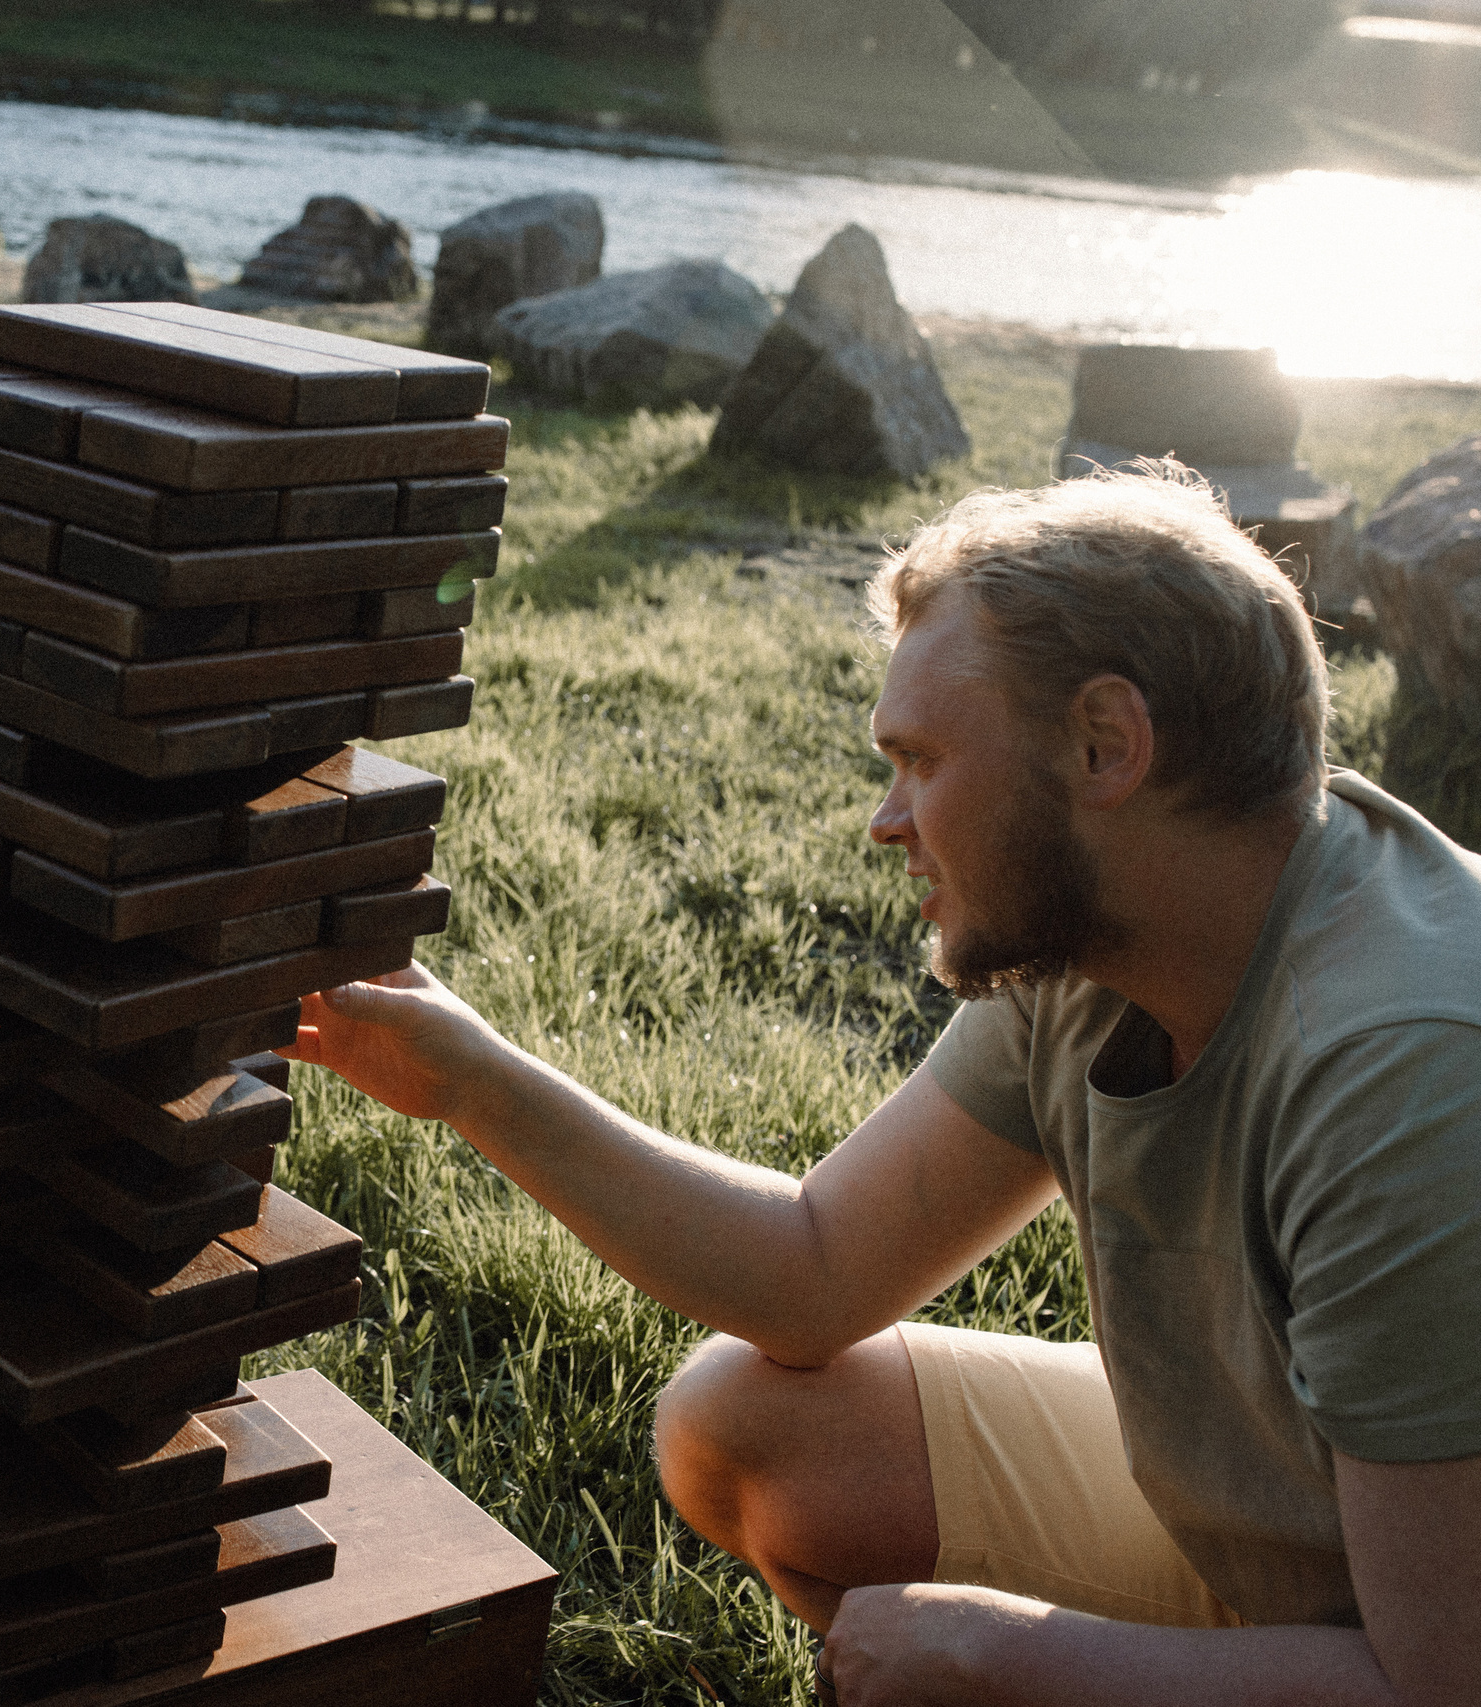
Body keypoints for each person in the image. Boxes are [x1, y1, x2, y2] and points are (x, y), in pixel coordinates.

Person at [285, 466, 1481, 1703]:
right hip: (1318, 1519)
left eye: (920, 760)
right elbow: (812, 1271)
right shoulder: (1105, 939)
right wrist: (473, 1082)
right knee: (752, 1432)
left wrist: (998, 1652)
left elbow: (1439, 1686)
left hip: (1431, 1639)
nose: (884, 820)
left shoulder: (1410, 1070)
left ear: (1103, 745)